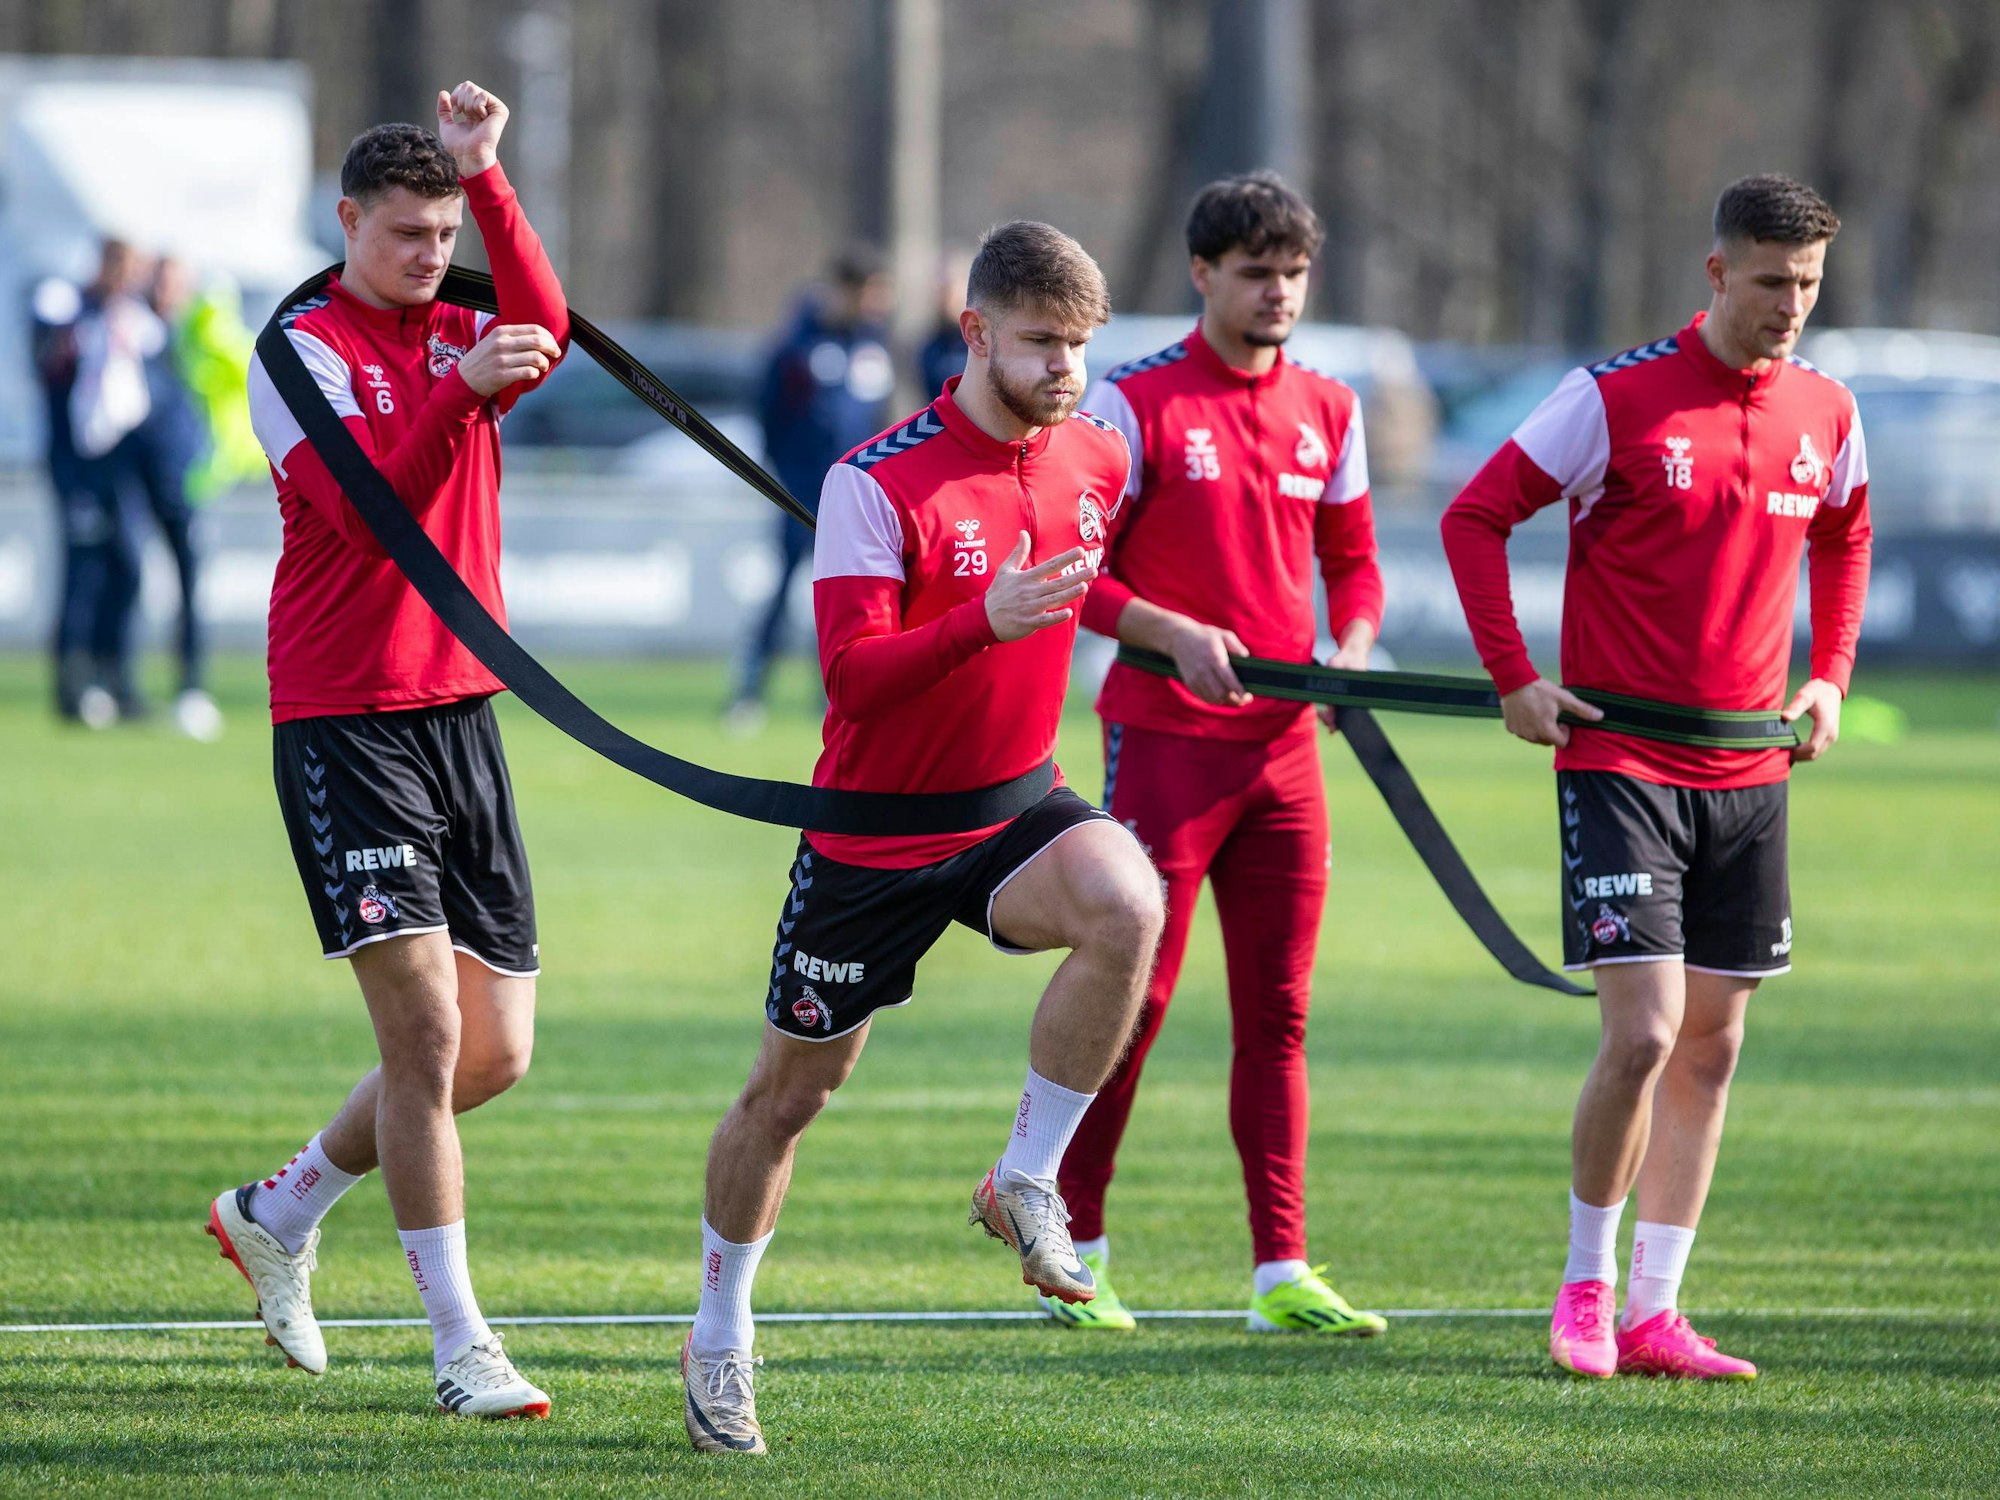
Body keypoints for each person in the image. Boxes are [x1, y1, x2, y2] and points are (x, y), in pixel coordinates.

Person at [681, 221, 1164, 1456]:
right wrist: (982, 624)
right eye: (1042, 343)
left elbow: (1078, 578)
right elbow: (850, 678)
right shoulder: (872, 481)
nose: (1066, 369)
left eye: (1081, 346)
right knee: (790, 1095)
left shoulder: (1096, 454)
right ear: (975, 333)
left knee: (1127, 904)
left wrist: (1163, 629)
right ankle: (720, 1332)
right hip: (873, 837)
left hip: (1010, 810)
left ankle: (1025, 1179)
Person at [1440, 174, 1871, 1381]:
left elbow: (1843, 535)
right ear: (1715, 273)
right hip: (1620, 754)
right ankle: (1581, 1289)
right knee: (1641, 1034)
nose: (1789, 304)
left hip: (1749, 765)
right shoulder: (1613, 398)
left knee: (1714, 1049)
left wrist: (1826, 675)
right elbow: (1476, 516)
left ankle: (1655, 1310)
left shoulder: (1827, 409)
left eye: (1807, 285)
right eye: (1770, 280)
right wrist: (1513, 677)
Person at [223, 82, 569, 1419]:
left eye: (444, 236)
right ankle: (460, 1345)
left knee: (496, 1053)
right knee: (426, 1039)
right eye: (408, 234)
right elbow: (368, 516)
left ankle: (280, 1207)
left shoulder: (462, 326)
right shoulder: (296, 347)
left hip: (460, 710)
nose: (430, 259)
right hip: (343, 717)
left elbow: (546, 325)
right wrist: (459, 394)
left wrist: (493, 179)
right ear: (348, 221)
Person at [1056, 171, 1388, 1335]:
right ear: (1202, 274)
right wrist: (1171, 635)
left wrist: (1351, 646)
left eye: (1293, 273)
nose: (1278, 293)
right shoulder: (1135, 405)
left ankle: (1279, 1272)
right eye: (1256, 273)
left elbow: (1352, 562)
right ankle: (1075, 1250)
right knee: (1134, 1002)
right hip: (1162, 746)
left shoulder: (1331, 408)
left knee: (1279, 1014)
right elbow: (1074, 574)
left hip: (1285, 755)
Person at [724, 247, 896, 732]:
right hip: (800, 493)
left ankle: (835, 695)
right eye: (873, 294)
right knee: (783, 591)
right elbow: (770, 415)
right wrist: (788, 479)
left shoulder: (873, 345)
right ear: (846, 292)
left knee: (853, 599)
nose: (880, 304)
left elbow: (878, 418)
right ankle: (750, 692)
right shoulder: (796, 345)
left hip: (858, 500)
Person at [66, 239, 162, 722]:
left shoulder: (137, 317)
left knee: (128, 567)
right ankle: (75, 684)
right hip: (87, 463)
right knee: (85, 572)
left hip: (126, 462)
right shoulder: (76, 310)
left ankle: (116, 680)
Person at [139, 256, 224, 741]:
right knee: (126, 575)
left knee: (191, 588)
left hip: (188, 481)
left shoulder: (202, 334)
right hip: (140, 478)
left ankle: (191, 687)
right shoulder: (139, 332)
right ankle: (120, 684)